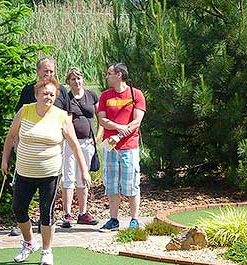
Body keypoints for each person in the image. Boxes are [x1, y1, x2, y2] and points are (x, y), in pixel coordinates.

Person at [1, 78, 91, 265]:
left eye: (52, 94)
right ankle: (29, 242)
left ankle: (47, 250)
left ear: (56, 96)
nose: (48, 97)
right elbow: (11, 136)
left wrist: (84, 171)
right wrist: (5, 159)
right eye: (44, 93)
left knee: (46, 213)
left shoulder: (61, 116)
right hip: (24, 172)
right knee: (18, 208)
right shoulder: (25, 111)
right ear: (36, 95)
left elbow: (74, 145)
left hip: (49, 174)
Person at [9, 56, 72, 236]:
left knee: (47, 199)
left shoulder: (62, 91)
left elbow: (69, 117)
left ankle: (44, 226)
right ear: (38, 71)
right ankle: (22, 226)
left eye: (51, 71)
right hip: (28, 150)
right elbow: (18, 120)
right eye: (45, 71)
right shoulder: (28, 91)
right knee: (21, 196)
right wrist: (16, 142)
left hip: (52, 152)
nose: (49, 74)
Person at [97, 63, 146, 232]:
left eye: (109, 74)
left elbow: (137, 121)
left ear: (118, 75)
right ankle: (113, 219)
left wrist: (122, 133)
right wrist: (118, 128)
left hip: (129, 146)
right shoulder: (105, 96)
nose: (106, 77)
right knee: (111, 183)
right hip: (110, 146)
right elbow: (102, 119)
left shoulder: (136, 94)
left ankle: (134, 219)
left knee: (131, 182)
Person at [61, 67, 103, 228]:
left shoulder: (91, 95)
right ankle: (67, 213)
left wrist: (97, 138)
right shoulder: (67, 98)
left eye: (78, 78)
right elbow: (66, 121)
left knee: (83, 177)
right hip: (71, 143)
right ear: (68, 82)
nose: (76, 82)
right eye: (73, 79)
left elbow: (100, 118)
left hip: (88, 142)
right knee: (69, 176)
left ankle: (83, 212)